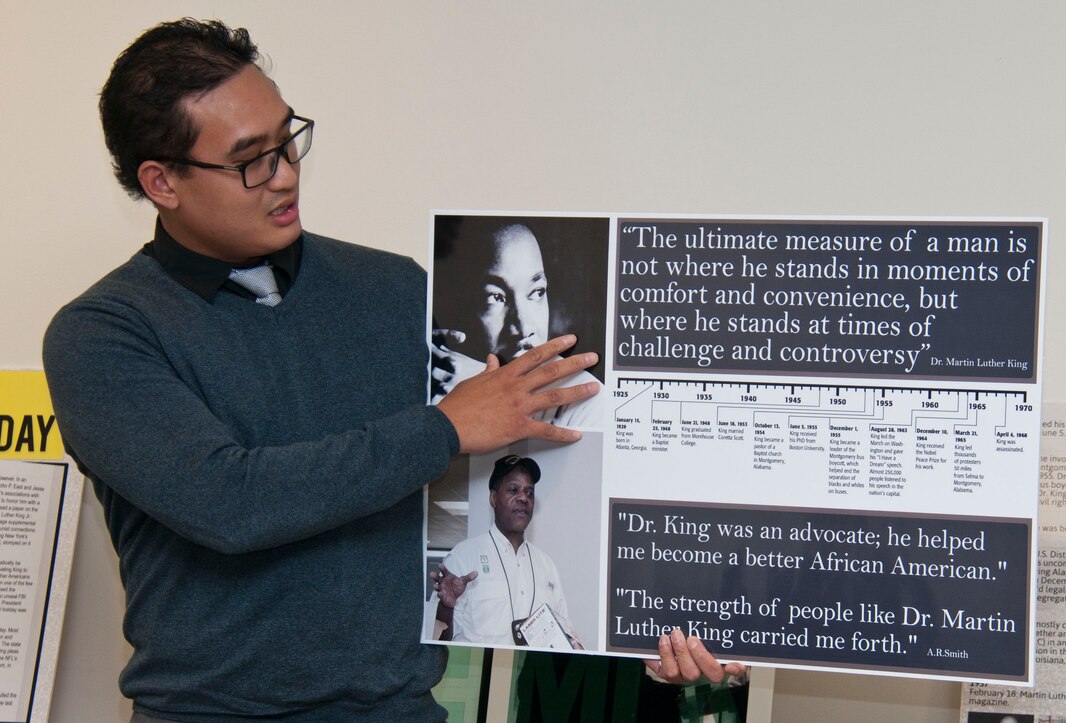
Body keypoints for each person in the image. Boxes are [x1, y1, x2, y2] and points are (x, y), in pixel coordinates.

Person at [41, 18, 735, 722]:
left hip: (399, 707)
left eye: (288, 138)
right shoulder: (102, 335)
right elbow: (230, 501)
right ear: (162, 182)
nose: (285, 173)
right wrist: (442, 428)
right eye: (251, 159)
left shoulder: (395, 290)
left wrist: (658, 623)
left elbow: (531, 477)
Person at [431, 217, 606, 427]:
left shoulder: (588, 400)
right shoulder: (438, 379)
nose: (524, 327)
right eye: (495, 297)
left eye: (537, 292)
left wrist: (486, 391)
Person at [431, 455, 577, 647]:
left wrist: (573, 643)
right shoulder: (463, 558)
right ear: (493, 498)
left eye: (529, 492)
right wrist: (445, 608)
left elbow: (566, 634)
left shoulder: (546, 566)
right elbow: (437, 643)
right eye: (513, 490)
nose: (523, 498)